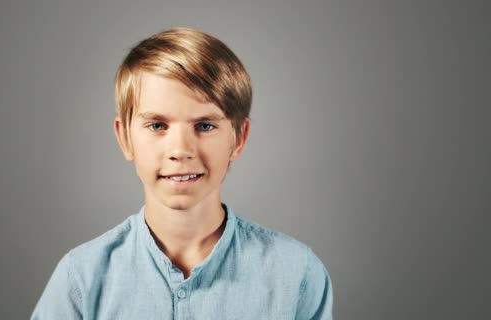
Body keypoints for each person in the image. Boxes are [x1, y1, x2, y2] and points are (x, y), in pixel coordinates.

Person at [31, 27, 333, 319]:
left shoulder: (297, 274)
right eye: (157, 125)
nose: (181, 150)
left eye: (205, 126)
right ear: (125, 138)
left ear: (238, 138)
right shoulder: (80, 279)